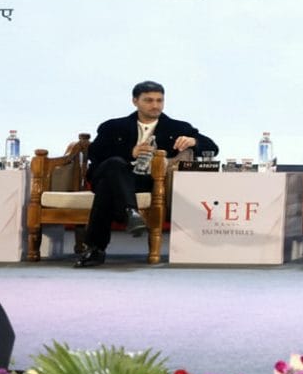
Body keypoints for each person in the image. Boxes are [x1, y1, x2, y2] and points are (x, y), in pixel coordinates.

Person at [75, 80, 217, 268]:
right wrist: (130, 152)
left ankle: (97, 247)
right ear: (135, 101)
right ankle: (129, 211)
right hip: (112, 172)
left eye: (159, 100)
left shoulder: (177, 128)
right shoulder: (113, 126)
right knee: (115, 165)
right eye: (149, 100)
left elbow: (212, 148)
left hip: (146, 180)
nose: (155, 105)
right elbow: (96, 154)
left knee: (107, 189)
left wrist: (193, 141)